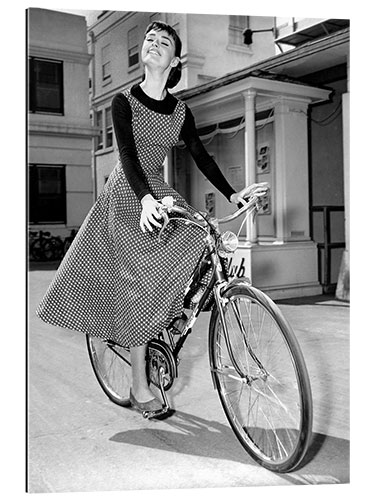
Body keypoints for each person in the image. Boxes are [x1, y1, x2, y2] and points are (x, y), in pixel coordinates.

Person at [36, 21, 268, 415]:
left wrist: (233, 193)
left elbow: (202, 155)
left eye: (164, 41)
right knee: (139, 286)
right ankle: (139, 385)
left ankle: (171, 317)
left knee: (203, 235)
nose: (154, 44)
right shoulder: (124, 101)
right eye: (149, 39)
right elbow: (127, 156)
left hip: (155, 190)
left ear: (175, 59)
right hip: (128, 191)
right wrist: (144, 199)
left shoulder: (180, 111)